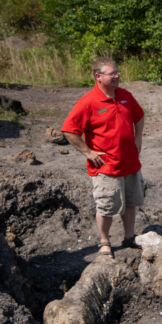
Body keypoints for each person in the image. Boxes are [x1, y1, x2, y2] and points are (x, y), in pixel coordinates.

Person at [62, 58, 145, 258]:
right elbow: (69, 130)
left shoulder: (125, 96)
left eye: (117, 72)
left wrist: (138, 138)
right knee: (107, 206)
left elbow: (139, 115)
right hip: (106, 165)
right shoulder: (88, 102)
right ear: (98, 77)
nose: (117, 76)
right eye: (111, 74)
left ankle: (129, 237)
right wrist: (89, 153)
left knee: (131, 201)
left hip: (130, 161)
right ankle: (104, 242)